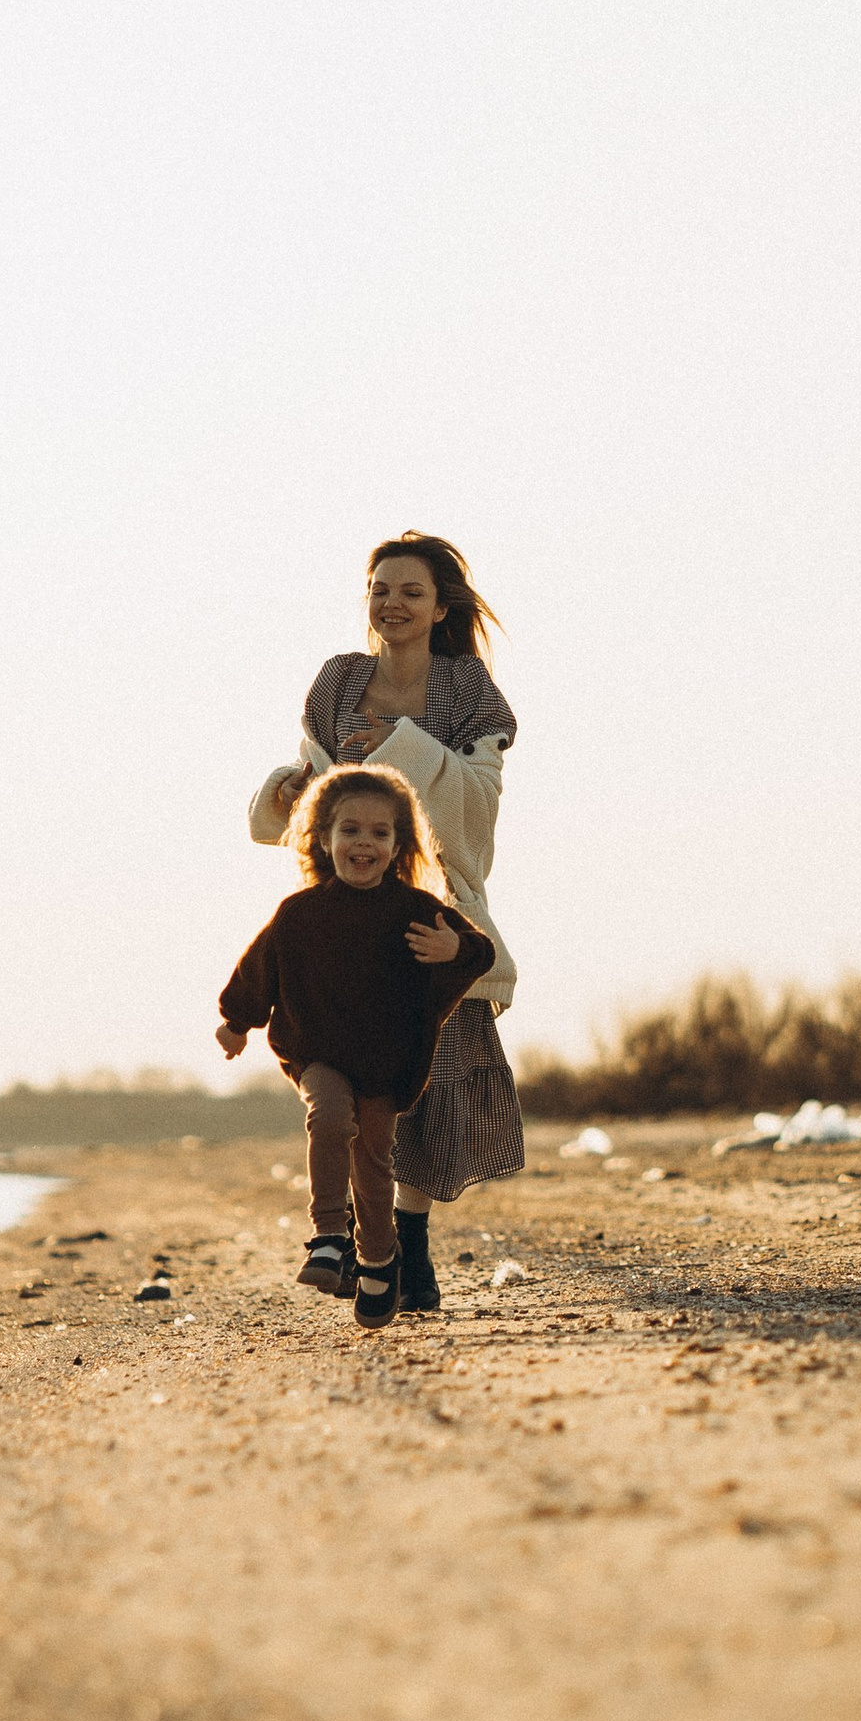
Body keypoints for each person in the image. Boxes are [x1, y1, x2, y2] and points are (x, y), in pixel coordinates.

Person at [249, 532, 524, 1313]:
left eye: (410, 591)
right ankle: (371, 1248)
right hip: (350, 920)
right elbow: (321, 793)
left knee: (423, 1089)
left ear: (441, 608)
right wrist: (290, 792)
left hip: (433, 907)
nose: (391, 604)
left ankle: (412, 1239)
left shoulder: (468, 691)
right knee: (356, 1081)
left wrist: (400, 750)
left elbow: (478, 804)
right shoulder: (339, 683)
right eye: (379, 588)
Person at [217, 764, 495, 1330]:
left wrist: (452, 951)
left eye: (378, 833)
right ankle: (327, 1237)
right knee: (328, 1115)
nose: (363, 843)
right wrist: (236, 1021)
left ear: (398, 846)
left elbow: (480, 953)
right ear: (322, 837)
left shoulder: (414, 910)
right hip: (317, 1049)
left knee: (373, 1160)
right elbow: (259, 969)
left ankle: (377, 1260)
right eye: (350, 830)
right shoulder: (300, 913)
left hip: (388, 1063)